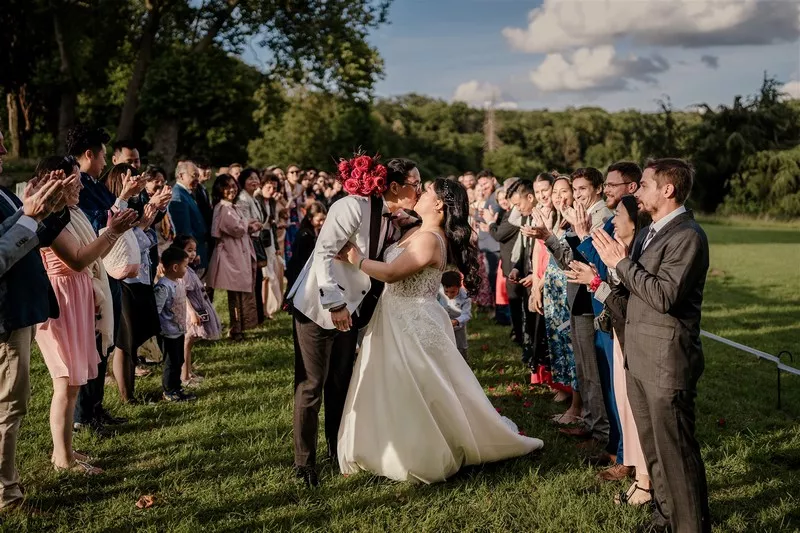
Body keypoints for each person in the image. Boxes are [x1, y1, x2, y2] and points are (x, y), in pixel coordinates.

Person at [336, 178, 543, 483]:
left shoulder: (431, 239)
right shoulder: (417, 230)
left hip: (413, 319)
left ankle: (421, 449)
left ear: (439, 205)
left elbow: (392, 274)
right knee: (388, 380)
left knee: (420, 385)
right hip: (393, 316)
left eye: (427, 190)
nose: (418, 193)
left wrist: (357, 260)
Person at [286, 157, 420, 487]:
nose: (420, 188)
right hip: (319, 306)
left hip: (353, 309)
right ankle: (304, 464)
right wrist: (334, 304)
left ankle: (337, 450)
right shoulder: (351, 207)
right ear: (395, 186)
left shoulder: (392, 218)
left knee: (340, 385)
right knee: (311, 385)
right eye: (415, 183)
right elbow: (323, 255)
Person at [593, 159, 710, 533]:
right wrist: (606, 278)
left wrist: (622, 263)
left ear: (667, 189)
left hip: (666, 361)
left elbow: (664, 296)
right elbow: (634, 295)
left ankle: (690, 526)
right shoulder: (648, 234)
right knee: (655, 452)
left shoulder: (688, 235)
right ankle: (664, 517)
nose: (635, 192)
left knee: (677, 454)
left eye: (642, 185)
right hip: (640, 357)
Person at [34, 157, 138, 475]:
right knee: (65, 380)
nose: (80, 185)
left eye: (79, 179)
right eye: (75, 180)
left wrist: (111, 235)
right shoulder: (49, 216)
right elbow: (78, 260)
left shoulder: (72, 212)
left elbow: (95, 253)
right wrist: (113, 231)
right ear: (58, 184)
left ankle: (64, 448)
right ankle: (62, 460)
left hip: (78, 294)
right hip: (59, 298)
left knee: (75, 381)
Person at [0, 129, 72, 511]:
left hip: (19, 313)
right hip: (4, 316)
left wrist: (56, 208)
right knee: (7, 408)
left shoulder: (4, 193)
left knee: (13, 404)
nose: (4, 150)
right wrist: (28, 219)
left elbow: (32, 236)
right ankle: (6, 497)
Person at [566, 195, 652, 505]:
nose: (613, 220)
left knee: (634, 407)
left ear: (635, 221)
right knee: (623, 403)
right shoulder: (622, 250)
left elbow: (627, 302)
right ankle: (637, 471)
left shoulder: (640, 254)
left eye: (618, 214)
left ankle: (644, 477)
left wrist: (594, 282)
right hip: (618, 333)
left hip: (632, 337)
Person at [71, 125, 137, 434]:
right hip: (91, 270)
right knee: (94, 342)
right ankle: (84, 415)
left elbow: (114, 219)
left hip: (105, 267)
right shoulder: (79, 187)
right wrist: (123, 196)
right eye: (103, 156)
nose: (105, 161)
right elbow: (101, 223)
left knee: (103, 342)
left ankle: (95, 407)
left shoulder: (93, 183)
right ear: (89, 155)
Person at [104, 164, 161, 403]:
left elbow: (146, 241)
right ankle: (126, 396)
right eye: (131, 179)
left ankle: (131, 392)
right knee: (124, 341)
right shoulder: (114, 209)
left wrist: (154, 213)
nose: (137, 184)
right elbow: (121, 247)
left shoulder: (134, 206)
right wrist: (143, 227)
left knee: (133, 339)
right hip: (124, 280)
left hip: (141, 278)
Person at [207, 174, 258, 341]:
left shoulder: (231, 206)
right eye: (227, 187)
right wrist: (249, 224)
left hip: (237, 252)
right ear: (220, 189)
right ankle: (234, 329)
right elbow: (235, 228)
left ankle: (239, 327)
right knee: (234, 293)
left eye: (233, 186)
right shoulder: (223, 208)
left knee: (238, 293)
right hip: (230, 255)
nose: (231, 189)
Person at [171, 235, 221, 387]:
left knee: (190, 343)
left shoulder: (187, 269)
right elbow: (182, 294)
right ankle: (184, 377)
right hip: (190, 312)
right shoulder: (184, 272)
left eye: (194, 250)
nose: (193, 253)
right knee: (186, 342)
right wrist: (192, 313)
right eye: (189, 250)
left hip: (196, 309)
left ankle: (189, 372)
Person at [153, 247, 196, 402]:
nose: (186, 269)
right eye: (185, 266)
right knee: (170, 362)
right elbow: (156, 310)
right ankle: (169, 391)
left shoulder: (178, 283)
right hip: (167, 332)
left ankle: (177, 388)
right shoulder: (163, 287)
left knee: (178, 360)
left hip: (178, 330)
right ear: (175, 267)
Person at [168, 161, 208, 272]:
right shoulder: (178, 196)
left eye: (198, 176)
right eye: (194, 176)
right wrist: (191, 253)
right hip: (190, 258)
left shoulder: (186, 194)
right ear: (181, 175)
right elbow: (183, 231)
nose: (197, 179)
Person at [284, 201, 327, 291]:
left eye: (324, 219)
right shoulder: (305, 235)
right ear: (310, 218)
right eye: (319, 220)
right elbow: (302, 258)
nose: (322, 223)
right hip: (300, 272)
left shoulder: (315, 232)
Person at [437, 270, 472, 361]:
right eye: (446, 292)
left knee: (460, 346)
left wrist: (457, 321)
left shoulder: (465, 297)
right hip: (442, 324)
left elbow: (467, 314)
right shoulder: (439, 292)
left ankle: (463, 363)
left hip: (458, 327)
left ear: (459, 287)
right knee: (444, 344)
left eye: (453, 292)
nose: (449, 295)